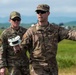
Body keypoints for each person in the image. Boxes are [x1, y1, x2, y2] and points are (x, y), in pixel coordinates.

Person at [17, 4, 76, 75]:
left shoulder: (55, 30)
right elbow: (22, 47)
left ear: (48, 13)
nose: (40, 14)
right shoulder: (31, 31)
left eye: (42, 12)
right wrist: (17, 48)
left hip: (52, 68)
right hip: (37, 68)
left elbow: (70, 33)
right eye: (38, 12)